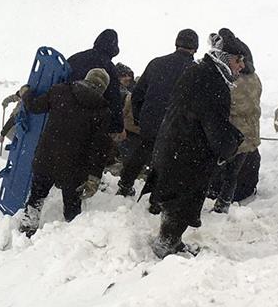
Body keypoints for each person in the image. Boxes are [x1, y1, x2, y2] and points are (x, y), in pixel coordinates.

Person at [141, 33, 246, 259]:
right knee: (181, 202)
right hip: (187, 154)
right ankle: (167, 244)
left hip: (175, 146)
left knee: (174, 200)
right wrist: (231, 143)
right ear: (225, 58)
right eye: (239, 60)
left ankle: (171, 241)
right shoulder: (212, 81)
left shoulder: (199, 71)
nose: (241, 66)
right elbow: (214, 124)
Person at [18, 69, 114, 237]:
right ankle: (70, 239)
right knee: (72, 206)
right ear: (103, 88)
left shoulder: (60, 91)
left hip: (46, 157)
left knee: (37, 197)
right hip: (74, 167)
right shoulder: (102, 111)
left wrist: (26, 93)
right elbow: (99, 148)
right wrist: (94, 177)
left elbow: (35, 106)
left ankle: (27, 229)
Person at [116, 29, 198, 197]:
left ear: (176, 44)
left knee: (143, 150)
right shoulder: (195, 70)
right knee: (170, 161)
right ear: (195, 48)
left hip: (151, 121)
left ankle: (125, 184)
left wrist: (140, 118)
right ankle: (158, 197)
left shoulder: (156, 63)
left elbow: (137, 94)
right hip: (177, 125)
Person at [210, 30, 262, 213]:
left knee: (227, 173)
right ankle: (237, 195)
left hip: (232, 140)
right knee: (241, 170)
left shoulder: (229, 81)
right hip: (251, 139)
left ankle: (222, 202)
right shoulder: (254, 79)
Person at [67, 29, 124, 138]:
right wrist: (116, 125)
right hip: (87, 123)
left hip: (62, 114)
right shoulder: (109, 68)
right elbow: (114, 98)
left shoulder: (75, 58)